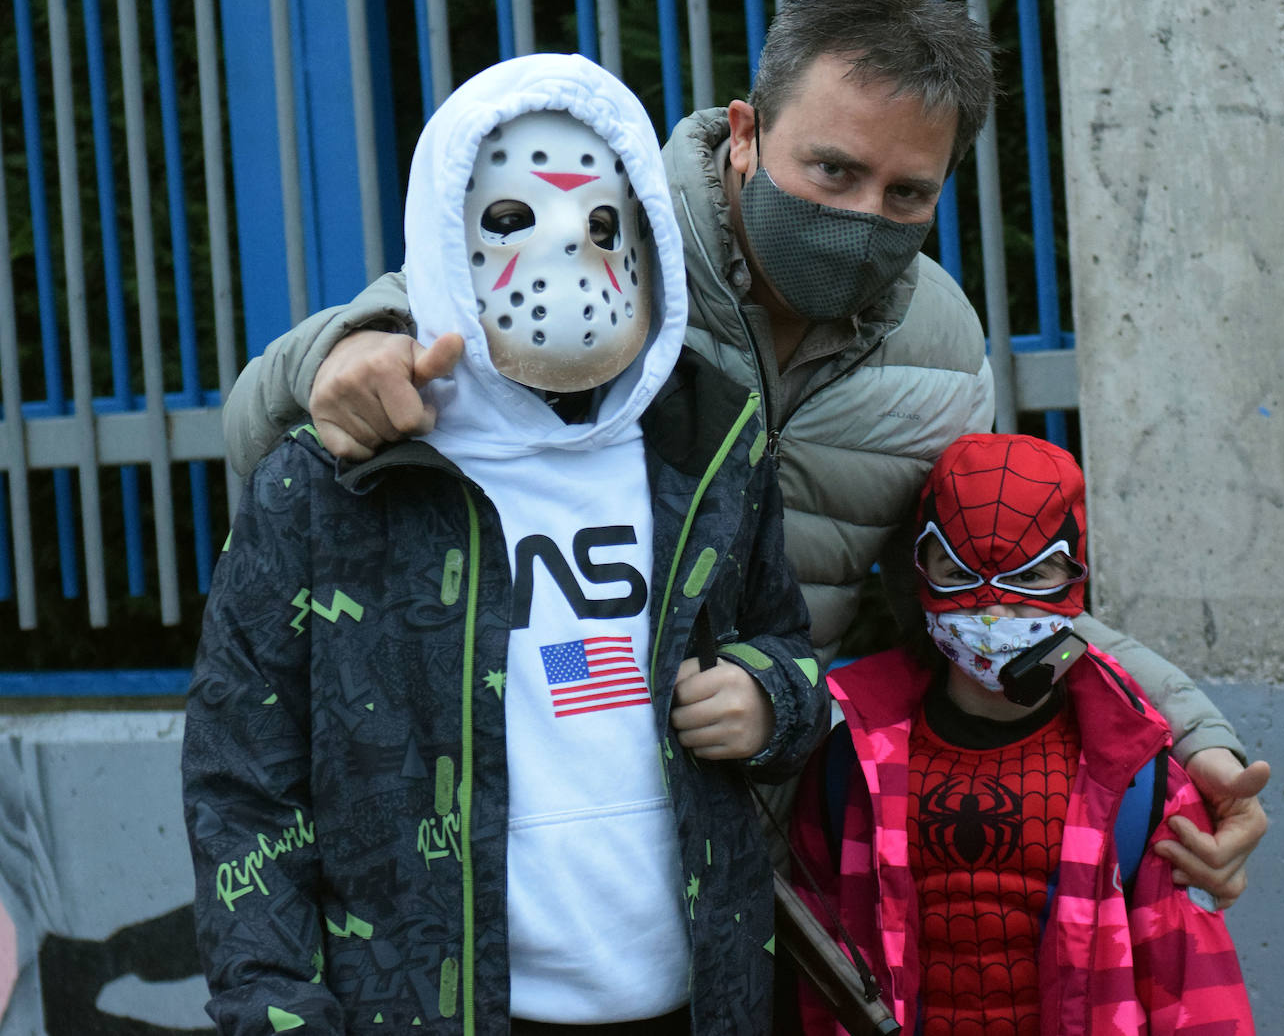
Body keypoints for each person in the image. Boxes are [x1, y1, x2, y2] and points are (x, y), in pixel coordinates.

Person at [218, 0, 1267, 903]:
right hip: (513, 864)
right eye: (833, 171)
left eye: (909, 190)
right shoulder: (602, 240)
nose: (863, 213)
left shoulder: (940, 350)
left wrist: (1187, 740)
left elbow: (970, 592)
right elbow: (282, 415)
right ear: (749, 130)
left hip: (765, 866)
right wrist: (354, 347)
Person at [182, 52, 829, 1034]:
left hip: (698, 1001)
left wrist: (772, 697)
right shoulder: (331, 487)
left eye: (601, 225)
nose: (567, 254)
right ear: (450, 231)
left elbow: (789, 646)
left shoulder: (709, 445)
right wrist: (277, 1009)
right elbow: (242, 783)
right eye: (512, 222)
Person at [789, 433, 1256, 1035]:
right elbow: (817, 977)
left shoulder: (1140, 772)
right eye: (957, 572)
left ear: (1075, 579)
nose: (993, 613)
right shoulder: (847, 758)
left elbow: (1193, 993)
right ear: (918, 574)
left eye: (1031, 576)